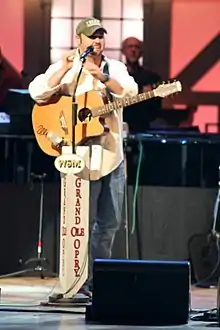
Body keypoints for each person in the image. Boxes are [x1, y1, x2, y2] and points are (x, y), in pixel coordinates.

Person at [28, 17, 138, 299]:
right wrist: (66, 68)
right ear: (79, 40)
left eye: (101, 36)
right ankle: (77, 282)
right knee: (80, 223)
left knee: (110, 222)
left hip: (111, 156)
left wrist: (101, 76)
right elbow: (37, 92)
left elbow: (130, 91)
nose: (97, 41)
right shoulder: (66, 67)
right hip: (80, 157)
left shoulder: (115, 68)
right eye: (91, 36)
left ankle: (99, 280)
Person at [121, 37, 162, 132]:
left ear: (141, 52)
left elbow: (155, 109)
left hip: (143, 127)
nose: (133, 50)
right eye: (130, 47)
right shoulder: (116, 74)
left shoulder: (152, 77)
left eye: (137, 47)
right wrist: (140, 91)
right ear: (123, 51)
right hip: (119, 125)